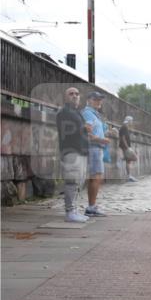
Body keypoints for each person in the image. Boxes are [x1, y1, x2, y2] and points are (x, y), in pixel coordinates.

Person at [57, 87, 90, 222]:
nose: (75, 95)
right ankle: (70, 212)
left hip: (80, 151)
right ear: (66, 97)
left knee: (78, 182)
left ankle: (74, 210)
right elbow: (66, 130)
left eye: (77, 93)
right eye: (71, 94)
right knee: (72, 182)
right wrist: (84, 128)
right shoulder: (64, 112)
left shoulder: (76, 112)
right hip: (71, 152)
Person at [81, 91, 111, 217]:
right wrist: (101, 140)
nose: (98, 101)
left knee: (96, 177)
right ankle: (91, 208)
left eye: (100, 99)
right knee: (96, 177)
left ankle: (91, 206)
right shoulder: (88, 113)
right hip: (94, 147)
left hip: (97, 148)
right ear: (88, 100)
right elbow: (87, 133)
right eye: (95, 99)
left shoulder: (94, 114)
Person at [119, 116, 138, 182]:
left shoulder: (125, 127)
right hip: (125, 147)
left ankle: (129, 176)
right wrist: (127, 148)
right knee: (133, 158)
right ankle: (129, 176)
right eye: (131, 121)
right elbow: (123, 138)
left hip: (126, 147)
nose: (132, 122)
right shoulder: (124, 127)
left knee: (129, 161)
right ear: (129, 121)